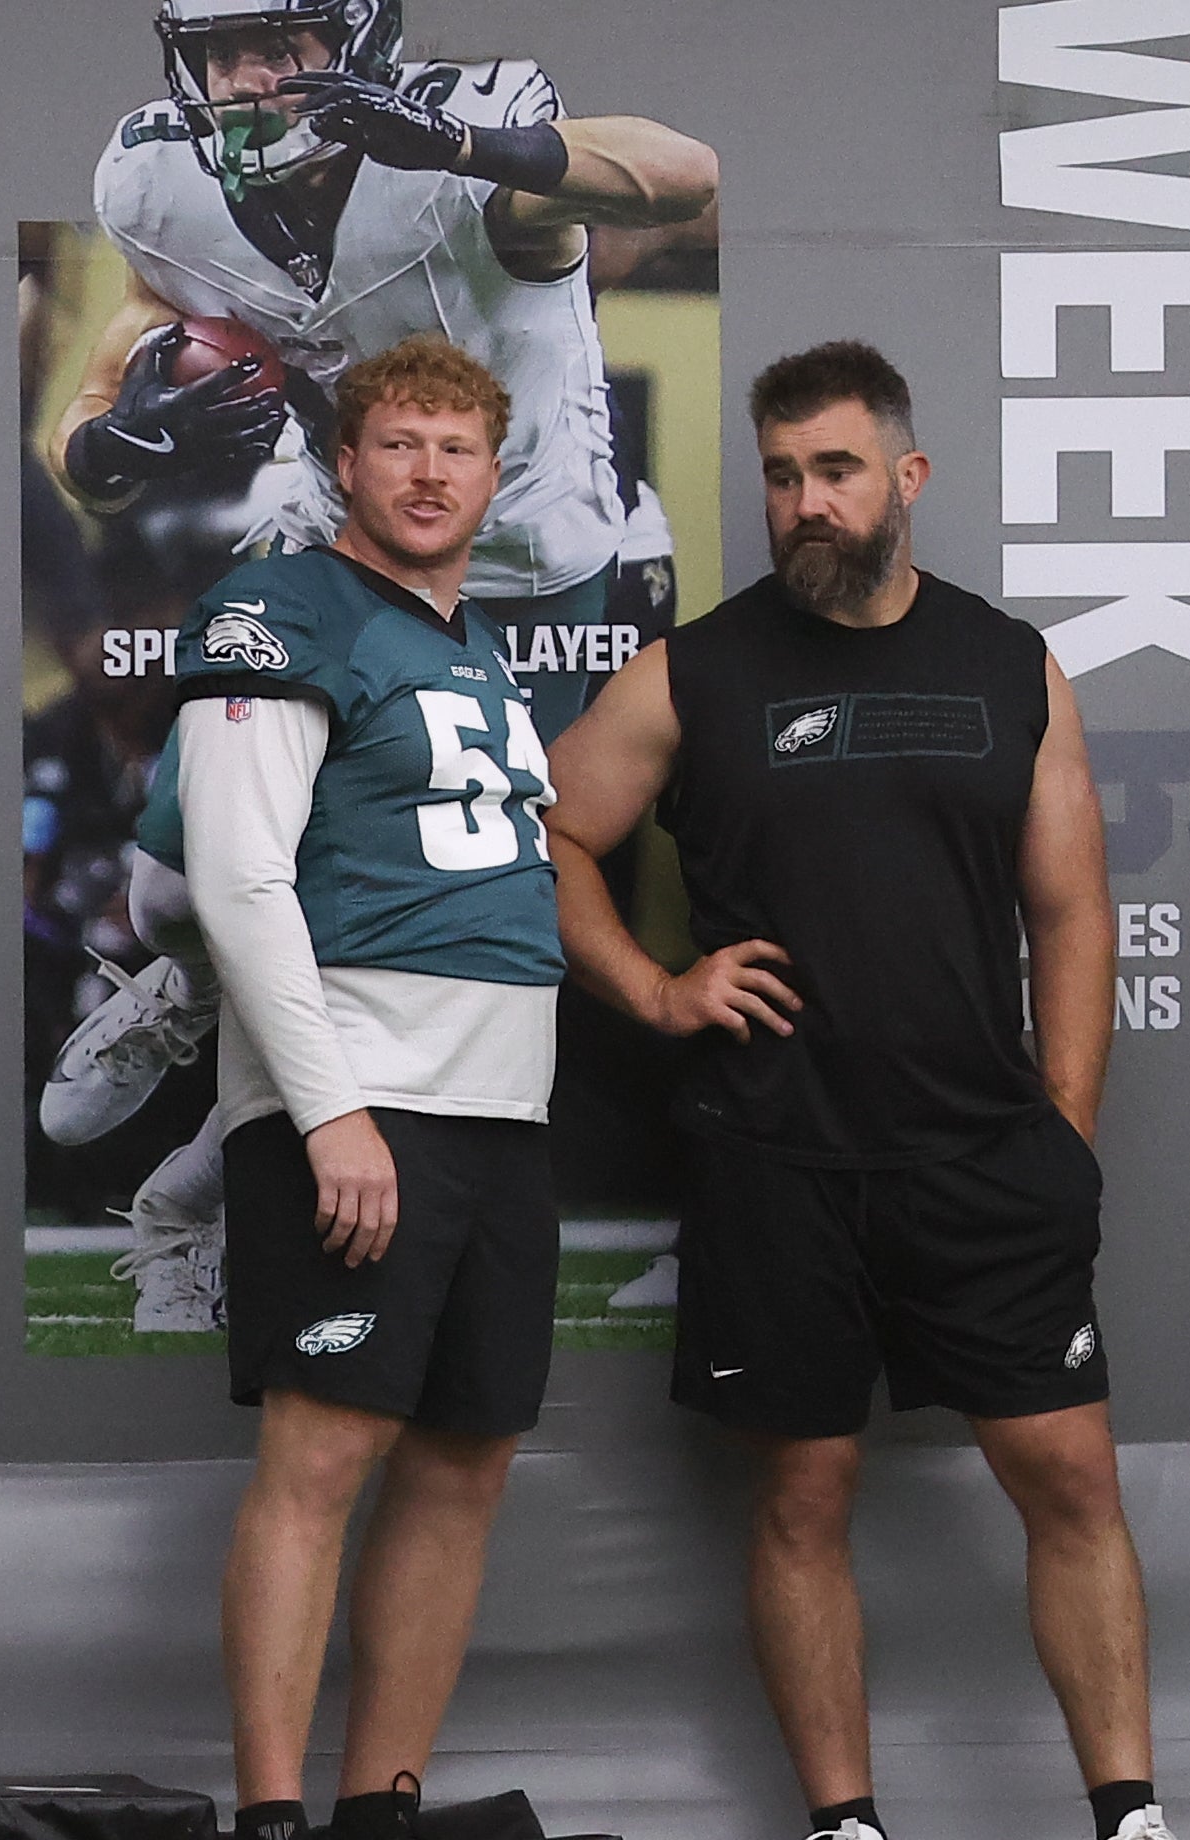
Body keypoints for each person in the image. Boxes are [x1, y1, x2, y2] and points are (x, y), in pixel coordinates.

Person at [544, 341, 1190, 1840]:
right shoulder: (695, 670)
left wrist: (1061, 1132)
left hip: (982, 1156)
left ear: (906, 481)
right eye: (782, 474)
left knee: (1070, 1482)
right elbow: (553, 833)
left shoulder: (1007, 664)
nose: (804, 501)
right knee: (799, 1496)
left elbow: (1072, 912)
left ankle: (1130, 1828)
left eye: (835, 470)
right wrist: (653, 987)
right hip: (772, 1155)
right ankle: (847, 1837)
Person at [39, 0, 716, 1329]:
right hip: (334, 540)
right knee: (182, 873)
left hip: (539, 566)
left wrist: (470, 144)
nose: (250, 76)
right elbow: (109, 377)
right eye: (224, 50)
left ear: (357, 41)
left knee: (416, 930)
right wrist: (118, 439)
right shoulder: (157, 176)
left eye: (282, 40)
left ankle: (209, 1185)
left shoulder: (457, 145)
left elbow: (687, 175)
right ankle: (184, 981)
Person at [179, 337, 561, 1840]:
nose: (425, 473)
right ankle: (271, 1828)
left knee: (464, 1457)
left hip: (499, 1105)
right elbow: (240, 880)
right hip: (364, 1092)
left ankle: (374, 1813)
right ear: (345, 460)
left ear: (492, 470)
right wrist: (328, 1106)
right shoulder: (280, 611)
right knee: (323, 1453)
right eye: (397, 444)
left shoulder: (471, 640)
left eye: (455, 448)